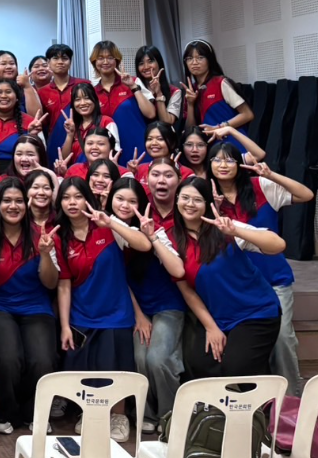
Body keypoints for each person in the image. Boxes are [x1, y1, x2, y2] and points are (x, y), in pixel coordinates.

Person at [52, 177, 162, 442]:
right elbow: (64, 285)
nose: (72, 203)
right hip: (82, 314)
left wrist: (111, 223)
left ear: (87, 199)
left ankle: (119, 416)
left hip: (116, 313)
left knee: (116, 368)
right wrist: (65, 326)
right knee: (86, 370)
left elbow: (144, 244)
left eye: (78, 196)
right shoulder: (59, 236)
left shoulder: (106, 225)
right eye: (66, 197)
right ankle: (90, 412)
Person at [152, 177, 284, 378]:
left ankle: (266, 395)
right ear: (176, 199)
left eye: (197, 200)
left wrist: (235, 230)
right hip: (219, 317)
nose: (190, 204)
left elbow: (278, 245)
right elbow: (187, 290)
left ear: (207, 204)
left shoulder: (224, 227)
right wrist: (211, 327)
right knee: (199, 364)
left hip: (256, 311)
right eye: (185, 198)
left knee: (235, 368)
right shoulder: (169, 238)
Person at [208, 142, 313, 396]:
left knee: (283, 340)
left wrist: (271, 174)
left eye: (229, 160)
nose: (223, 165)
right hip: (238, 287)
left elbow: (306, 195)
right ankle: (258, 399)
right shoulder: (206, 198)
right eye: (217, 160)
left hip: (273, 280)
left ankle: (290, 401)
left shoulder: (260, 187)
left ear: (239, 164)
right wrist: (215, 206)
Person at [0, 177, 58, 434]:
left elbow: (51, 283)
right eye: (7, 200)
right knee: (8, 359)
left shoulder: (40, 235)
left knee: (42, 360)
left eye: (19, 200)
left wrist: (45, 254)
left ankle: (34, 413)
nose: (13, 206)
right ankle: (4, 412)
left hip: (36, 307)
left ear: (26, 204)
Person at [110, 176, 184, 434]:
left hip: (167, 303)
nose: (125, 205)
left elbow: (178, 269)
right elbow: (118, 279)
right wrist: (139, 315)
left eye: (132, 201)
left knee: (157, 359)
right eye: (120, 199)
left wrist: (152, 236)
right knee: (140, 358)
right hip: (135, 306)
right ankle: (147, 413)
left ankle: (170, 415)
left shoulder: (153, 228)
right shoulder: (108, 230)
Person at [89, 40, 156, 162]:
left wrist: (133, 87)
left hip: (138, 147)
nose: (105, 62)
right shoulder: (92, 92)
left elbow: (151, 113)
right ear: (94, 62)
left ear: (117, 60)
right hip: (109, 154)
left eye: (110, 58)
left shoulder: (133, 82)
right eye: (100, 58)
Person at [182, 39, 254, 149]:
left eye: (200, 57)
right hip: (210, 148)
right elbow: (190, 130)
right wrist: (190, 104)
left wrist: (219, 127)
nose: (194, 62)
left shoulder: (221, 83)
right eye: (190, 58)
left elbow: (247, 114)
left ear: (209, 60)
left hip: (233, 145)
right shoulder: (190, 90)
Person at [0, 80, 43, 166]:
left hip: (19, 169)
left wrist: (33, 135)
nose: (3, 96)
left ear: (17, 98)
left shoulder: (30, 122)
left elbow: (40, 154)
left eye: (8, 92)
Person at [38, 43, 88, 158]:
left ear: (70, 62)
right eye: (55, 58)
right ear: (48, 62)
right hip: (54, 143)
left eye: (64, 58)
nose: (60, 62)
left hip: (82, 141)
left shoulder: (84, 85)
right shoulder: (42, 92)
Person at [62, 82, 119, 163]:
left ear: (95, 100)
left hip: (101, 170)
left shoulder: (106, 122)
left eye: (87, 98)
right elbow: (65, 159)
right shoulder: (73, 126)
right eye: (77, 100)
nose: (82, 103)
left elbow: (116, 152)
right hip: (78, 170)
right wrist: (70, 134)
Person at [134, 45, 181, 126]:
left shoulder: (175, 92)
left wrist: (159, 94)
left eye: (150, 61)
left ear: (159, 63)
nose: (146, 67)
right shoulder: (134, 89)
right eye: (141, 63)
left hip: (163, 133)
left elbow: (167, 122)